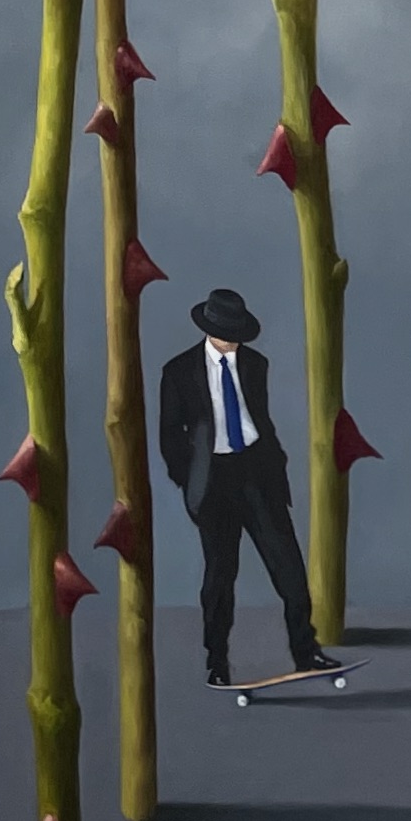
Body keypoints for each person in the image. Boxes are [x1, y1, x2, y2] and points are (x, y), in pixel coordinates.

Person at [157, 286, 339, 689]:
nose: (233, 341)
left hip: (257, 474)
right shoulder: (179, 371)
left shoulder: (256, 364)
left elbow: (260, 417)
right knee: (220, 579)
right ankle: (217, 662)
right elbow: (170, 435)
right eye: (227, 333)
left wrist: (275, 464)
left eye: (238, 333)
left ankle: (306, 651)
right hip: (212, 482)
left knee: (290, 570)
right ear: (209, 329)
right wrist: (188, 480)